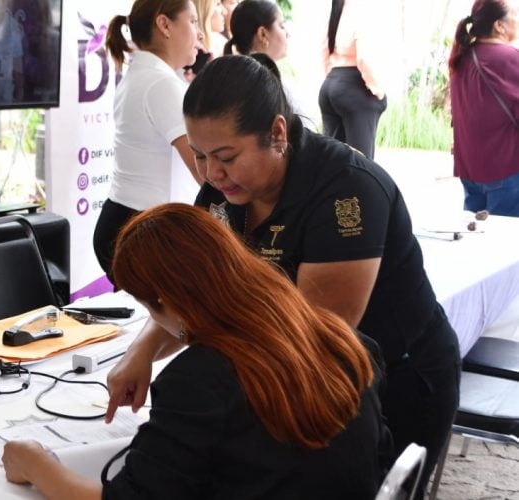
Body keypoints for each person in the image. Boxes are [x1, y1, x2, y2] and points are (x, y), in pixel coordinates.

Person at [108, 55, 461, 498]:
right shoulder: (222, 190)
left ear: (277, 134)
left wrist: (200, 394)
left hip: (390, 375)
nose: (211, 174)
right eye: (199, 156)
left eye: (225, 157)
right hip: (320, 378)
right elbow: (192, 292)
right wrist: (141, 353)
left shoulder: (347, 192)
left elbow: (312, 336)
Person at [3, 203, 391, 498]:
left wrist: (38, 464)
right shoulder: (341, 339)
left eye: (150, 309)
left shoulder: (202, 380)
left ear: (168, 302)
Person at [92, 0, 205, 281]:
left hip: (129, 223)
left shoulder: (146, 75)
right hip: (144, 231)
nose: (199, 33)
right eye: (192, 21)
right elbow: (203, 169)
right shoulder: (160, 83)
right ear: (164, 24)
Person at [448, 0, 519, 216]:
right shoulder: (510, 58)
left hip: (470, 167)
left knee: (477, 240)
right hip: (506, 167)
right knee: (505, 242)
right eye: (515, 15)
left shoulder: (460, 58)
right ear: (499, 25)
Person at [224, 0, 315, 128]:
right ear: (262, 34)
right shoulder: (267, 84)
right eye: (281, 26)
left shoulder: (233, 79)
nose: (287, 33)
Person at [318, 0, 387, 160]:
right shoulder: (362, 7)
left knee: (332, 162)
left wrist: (334, 78)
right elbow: (364, 57)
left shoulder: (337, 7)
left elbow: (324, 48)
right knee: (362, 166)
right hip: (355, 86)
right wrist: (378, 91)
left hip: (331, 84)